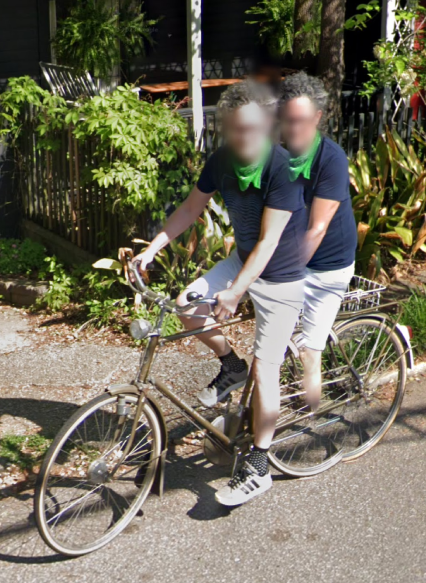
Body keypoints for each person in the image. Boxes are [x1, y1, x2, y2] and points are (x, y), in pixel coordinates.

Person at [135, 80, 307, 506]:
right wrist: (154, 247)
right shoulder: (223, 161)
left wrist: (234, 293)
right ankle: (230, 365)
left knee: (266, 370)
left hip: (282, 273)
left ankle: (260, 465)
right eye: (232, 129)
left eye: (248, 129)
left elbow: (269, 243)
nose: (240, 138)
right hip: (243, 260)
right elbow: (192, 208)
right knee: (185, 306)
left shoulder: (282, 170)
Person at [279, 73, 358, 411]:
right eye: (286, 120)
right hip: (297, 257)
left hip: (328, 265)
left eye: (300, 121)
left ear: (317, 118)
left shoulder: (331, 159)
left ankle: (315, 421)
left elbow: (317, 229)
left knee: (310, 350)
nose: (293, 129)